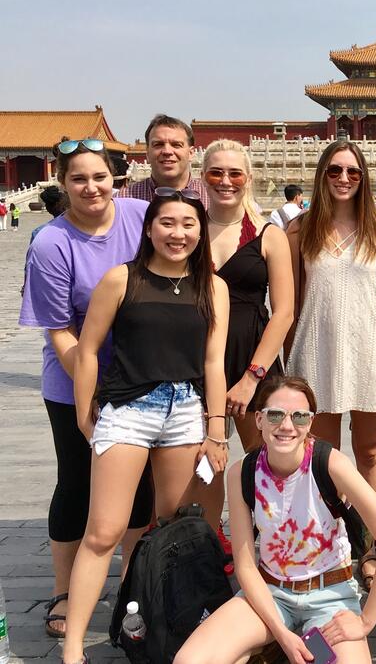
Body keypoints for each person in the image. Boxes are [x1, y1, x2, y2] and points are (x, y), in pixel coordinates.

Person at [61, 189, 230, 664]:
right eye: (168, 224)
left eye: (189, 225)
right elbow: (89, 349)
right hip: (129, 409)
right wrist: (82, 412)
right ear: (150, 228)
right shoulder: (122, 279)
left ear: (201, 231)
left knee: (172, 528)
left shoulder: (211, 287)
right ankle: (74, 646)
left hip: (184, 411)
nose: (179, 234)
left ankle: (153, 623)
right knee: (104, 532)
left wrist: (214, 430)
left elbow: (213, 362)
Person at [19, 139, 155, 641]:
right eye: (78, 179)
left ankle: (131, 588)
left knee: (141, 489)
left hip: (143, 375)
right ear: (63, 184)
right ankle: (64, 590)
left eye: (99, 177)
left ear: (114, 178)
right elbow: (59, 329)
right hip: (74, 380)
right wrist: (93, 389)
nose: (91, 187)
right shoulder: (51, 243)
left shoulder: (140, 217)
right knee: (77, 484)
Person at [175, 376, 376, 664]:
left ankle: (286, 648)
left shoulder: (331, 464)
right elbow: (245, 564)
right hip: (270, 594)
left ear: (310, 422)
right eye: (275, 415)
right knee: (191, 660)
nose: (286, 426)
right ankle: (273, 644)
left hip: (330, 599)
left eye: (299, 416)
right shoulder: (242, 472)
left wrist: (366, 621)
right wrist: (281, 634)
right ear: (258, 419)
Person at [285, 141, 376, 588]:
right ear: (322, 174)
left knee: (371, 451)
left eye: (353, 173)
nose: (343, 179)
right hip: (315, 351)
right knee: (319, 455)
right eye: (335, 170)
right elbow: (290, 301)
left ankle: (371, 542)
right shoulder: (300, 230)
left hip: (371, 350)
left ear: (364, 178)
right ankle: (330, 537)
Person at [196, 140, 294, 532]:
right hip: (198, 359)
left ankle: (276, 544)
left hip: (254, 357)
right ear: (202, 177)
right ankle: (209, 544)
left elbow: (284, 311)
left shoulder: (269, 235)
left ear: (248, 178)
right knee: (204, 463)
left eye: (235, 173)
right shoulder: (187, 229)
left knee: (268, 458)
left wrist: (251, 378)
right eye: (216, 172)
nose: (226, 181)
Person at [119, 114, 209, 204]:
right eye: (158, 144)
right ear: (148, 153)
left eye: (176, 145)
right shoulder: (121, 200)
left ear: (191, 153)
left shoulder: (212, 198)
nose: (167, 151)